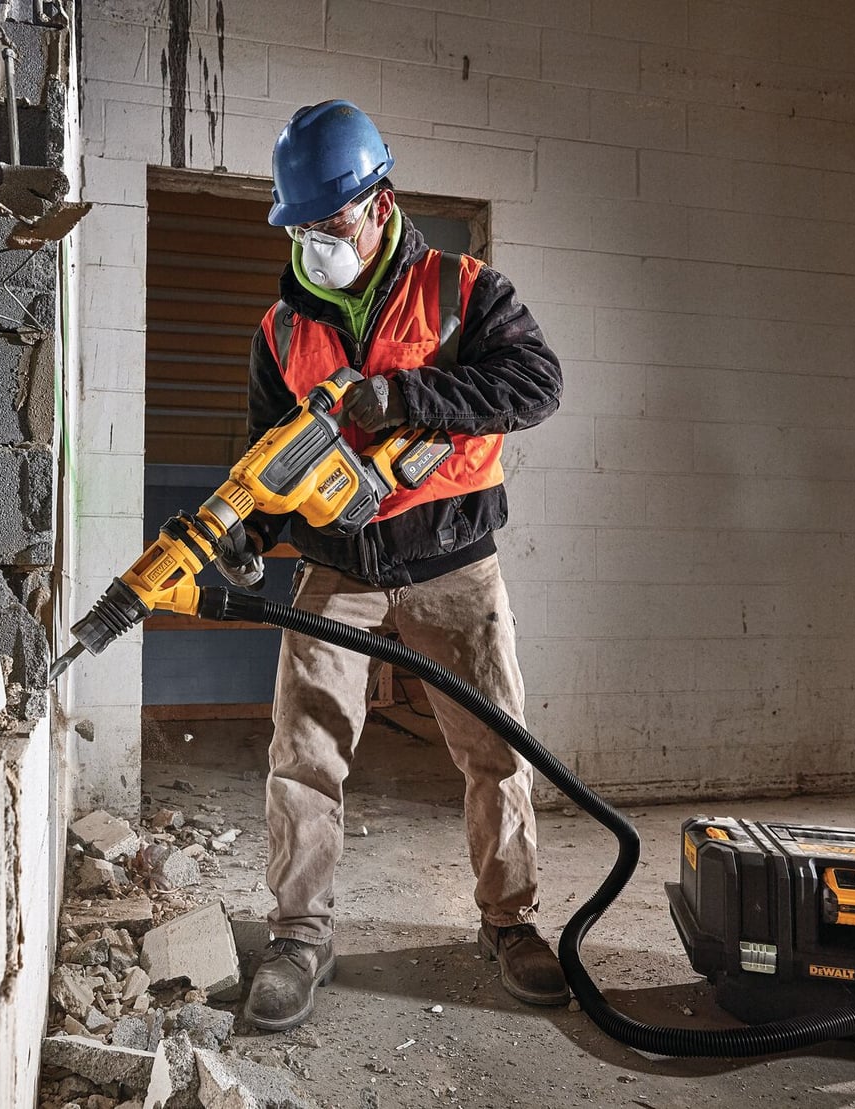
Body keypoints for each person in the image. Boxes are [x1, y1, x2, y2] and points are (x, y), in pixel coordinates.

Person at [219, 99, 566, 1032]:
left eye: (329, 223)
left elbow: (537, 383)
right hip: (338, 569)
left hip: (454, 561)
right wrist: (253, 531)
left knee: (495, 748)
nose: (314, 243)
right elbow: (271, 460)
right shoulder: (280, 331)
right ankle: (299, 934)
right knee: (304, 753)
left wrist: (404, 395)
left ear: (380, 202)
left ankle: (509, 921)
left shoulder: (464, 289)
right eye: (300, 227)